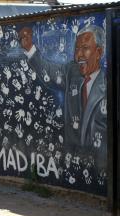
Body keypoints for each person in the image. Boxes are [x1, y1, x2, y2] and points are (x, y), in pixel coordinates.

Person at [19, 25, 107, 162]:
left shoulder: (107, 85)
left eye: (85, 48)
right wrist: (30, 49)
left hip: (98, 166)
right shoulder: (72, 72)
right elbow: (49, 70)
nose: (79, 55)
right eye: (77, 49)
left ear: (99, 52)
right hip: (71, 162)